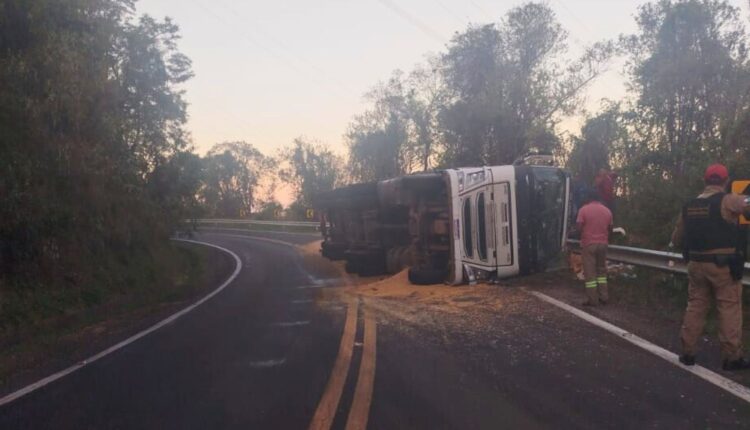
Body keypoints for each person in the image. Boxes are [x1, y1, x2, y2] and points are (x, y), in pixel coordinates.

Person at [672, 163, 750, 370]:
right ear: (726, 181)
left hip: (696, 265)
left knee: (695, 307)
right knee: (729, 308)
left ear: (704, 180)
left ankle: (687, 352)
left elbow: (677, 239)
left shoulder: (689, 206)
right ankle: (732, 357)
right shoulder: (728, 200)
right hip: (722, 267)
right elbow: (747, 204)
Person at [576, 188, 613, 306]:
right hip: (603, 244)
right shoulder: (607, 211)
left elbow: (579, 227)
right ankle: (604, 297)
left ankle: (593, 300)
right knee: (601, 271)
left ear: (589, 198)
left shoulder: (583, 210)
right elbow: (610, 228)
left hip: (589, 244)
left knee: (590, 273)